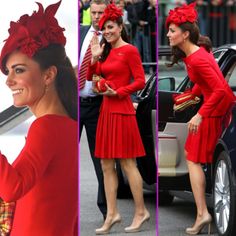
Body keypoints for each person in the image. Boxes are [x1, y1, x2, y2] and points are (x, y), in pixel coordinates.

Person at [0, 1, 78, 235]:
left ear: (48, 75)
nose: (8, 80)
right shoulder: (69, 126)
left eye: (19, 70)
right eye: (9, 71)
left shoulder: (46, 127)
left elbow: (12, 187)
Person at [166, 2, 235, 235]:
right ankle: (201, 213)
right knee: (192, 156)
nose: (168, 34)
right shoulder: (198, 55)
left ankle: (202, 213)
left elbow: (221, 91)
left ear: (185, 34)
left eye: (172, 30)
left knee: (193, 158)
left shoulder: (197, 59)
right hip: (213, 110)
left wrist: (200, 114)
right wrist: (190, 95)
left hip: (212, 112)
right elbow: (208, 83)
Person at [87, 3, 150, 234]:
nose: (107, 31)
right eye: (104, 28)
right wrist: (95, 58)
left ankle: (141, 212)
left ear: (121, 26)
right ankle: (112, 213)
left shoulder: (130, 50)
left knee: (127, 164)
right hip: (106, 111)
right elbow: (91, 77)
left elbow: (140, 81)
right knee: (106, 165)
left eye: (111, 27)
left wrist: (120, 91)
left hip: (122, 110)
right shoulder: (107, 50)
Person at [79, 0, 108, 220]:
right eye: (94, 12)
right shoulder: (79, 34)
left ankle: (107, 210)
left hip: (97, 106)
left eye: (101, 13)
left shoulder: (112, 39)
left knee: (101, 160)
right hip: (73, 104)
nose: (97, 16)